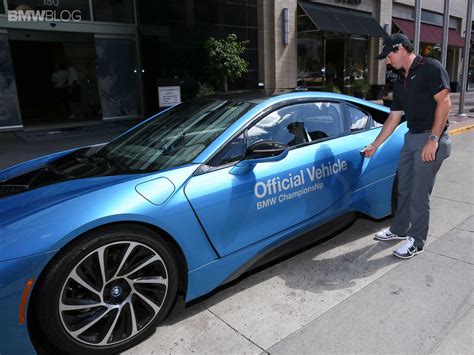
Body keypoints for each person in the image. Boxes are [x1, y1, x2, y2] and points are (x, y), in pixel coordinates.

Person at [361, 33, 452, 259]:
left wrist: (433, 140)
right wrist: (375, 144)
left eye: (389, 55)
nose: (388, 61)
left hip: (431, 137)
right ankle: (399, 229)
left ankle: (417, 240)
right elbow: (393, 118)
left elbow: (445, 102)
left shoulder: (431, 67)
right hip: (411, 137)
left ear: (400, 48)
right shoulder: (400, 81)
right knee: (404, 188)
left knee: (419, 193)